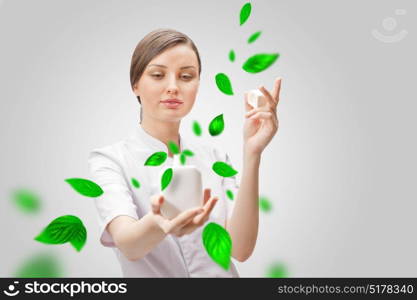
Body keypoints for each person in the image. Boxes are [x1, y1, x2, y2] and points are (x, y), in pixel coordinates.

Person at [87, 28, 282, 277]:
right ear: (135, 84)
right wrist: (161, 222)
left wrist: (252, 152)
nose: (173, 87)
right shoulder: (110, 160)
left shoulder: (214, 158)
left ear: (198, 85)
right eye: (158, 75)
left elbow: (240, 249)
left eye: (186, 76)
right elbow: (128, 244)